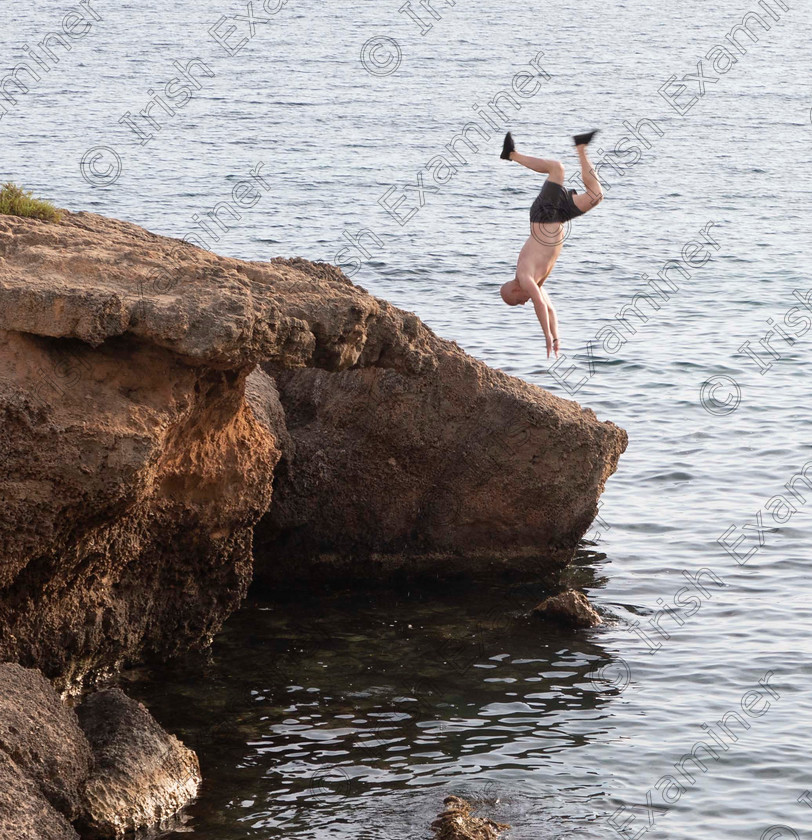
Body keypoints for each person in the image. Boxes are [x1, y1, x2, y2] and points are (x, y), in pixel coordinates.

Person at [499, 130, 604, 359]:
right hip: (557, 218)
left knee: (557, 168)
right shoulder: (535, 282)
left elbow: (538, 303)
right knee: (596, 196)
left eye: (518, 302)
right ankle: (581, 147)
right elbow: (549, 308)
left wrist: (545, 335)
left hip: (543, 215)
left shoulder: (525, 277)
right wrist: (556, 337)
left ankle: (511, 155)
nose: (523, 303)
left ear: (515, 289)